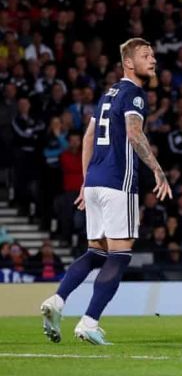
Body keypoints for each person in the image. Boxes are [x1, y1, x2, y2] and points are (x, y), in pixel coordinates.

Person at [40, 38, 172, 345]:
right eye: (145, 55)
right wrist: (156, 168)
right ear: (129, 62)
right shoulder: (135, 95)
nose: (152, 60)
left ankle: (57, 301)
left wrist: (87, 182)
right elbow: (134, 132)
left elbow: (88, 137)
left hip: (96, 181)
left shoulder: (108, 94)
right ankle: (89, 321)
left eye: (153, 54)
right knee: (120, 256)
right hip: (118, 182)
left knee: (96, 251)